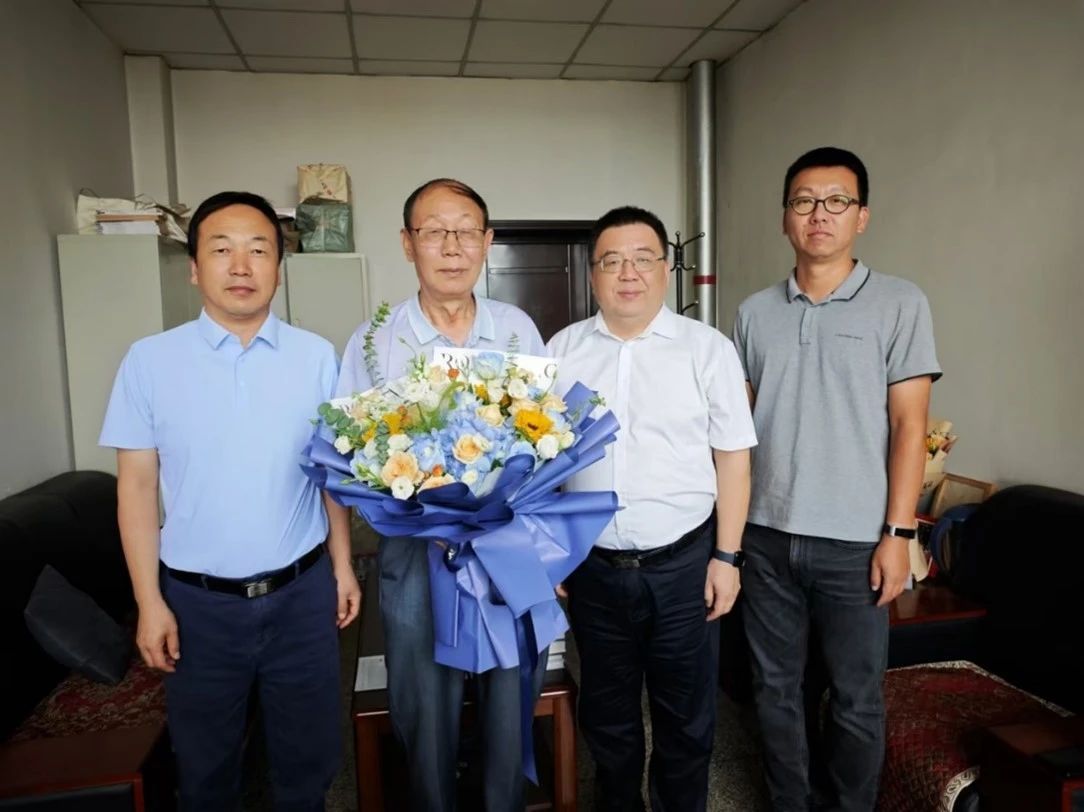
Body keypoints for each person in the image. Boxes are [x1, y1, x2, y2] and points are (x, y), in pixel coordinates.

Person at [100, 191, 361, 812]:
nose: (241, 266)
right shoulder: (149, 362)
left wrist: (343, 566)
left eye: (258, 250)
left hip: (301, 596)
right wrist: (148, 603)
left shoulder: (316, 357)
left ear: (279, 268)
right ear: (194, 268)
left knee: (309, 766)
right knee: (206, 773)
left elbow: (331, 474)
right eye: (222, 250)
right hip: (198, 606)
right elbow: (136, 488)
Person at [733, 146, 941, 812]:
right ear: (785, 217)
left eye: (836, 201)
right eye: (803, 201)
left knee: (855, 698)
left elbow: (910, 426)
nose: (818, 214)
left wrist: (898, 535)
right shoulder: (753, 312)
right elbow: (737, 431)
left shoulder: (900, 303)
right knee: (773, 691)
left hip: (855, 542)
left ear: (861, 216)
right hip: (765, 536)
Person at [337, 178, 546, 812]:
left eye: (465, 231)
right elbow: (348, 452)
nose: (451, 247)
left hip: (504, 546)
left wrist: (545, 552)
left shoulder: (517, 330)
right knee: (424, 704)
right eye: (434, 232)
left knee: (510, 692)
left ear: (487, 241)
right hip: (415, 550)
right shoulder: (374, 344)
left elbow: (546, 439)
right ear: (408, 244)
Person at [547, 205, 756, 812]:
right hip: (593, 568)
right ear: (593, 273)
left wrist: (727, 557)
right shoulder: (562, 351)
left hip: (684, 567)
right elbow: (539, 460)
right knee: (607, 717)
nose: (628, 273)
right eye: (612, 261)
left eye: (643, 259)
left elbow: (733, 459)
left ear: (666, 269)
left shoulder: (707, 350)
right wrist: (552, 553)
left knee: (685, 718)